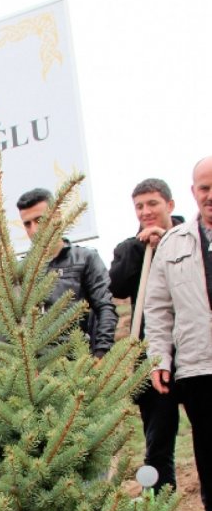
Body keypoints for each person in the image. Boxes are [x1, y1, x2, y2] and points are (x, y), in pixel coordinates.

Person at [145, 156, 212, 511]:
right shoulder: (175, 244)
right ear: (193, 192)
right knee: (209, 452)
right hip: (198, 366)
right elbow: (158, 307)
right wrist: (159, 358)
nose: (210, 196)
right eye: (204, 188)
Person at [109, 178, 183, 492]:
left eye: (152, 203)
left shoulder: (190, 238)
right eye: (139, 206)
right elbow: (118, 286)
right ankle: (161, 506)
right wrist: (141, 248)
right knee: (158, 437)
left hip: (193, 347)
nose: (145, 211)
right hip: (151, 353)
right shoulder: (129, 248)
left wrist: (166, 242)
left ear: (170, 205)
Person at [16, 188, 118, 358]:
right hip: (36, 371)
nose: (33, 230)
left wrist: (101, 353)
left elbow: (105, 307)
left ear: (56, 216)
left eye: (39, 220)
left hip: (79, 364)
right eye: (27, 224)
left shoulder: (85, 259)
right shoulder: (21, 270)